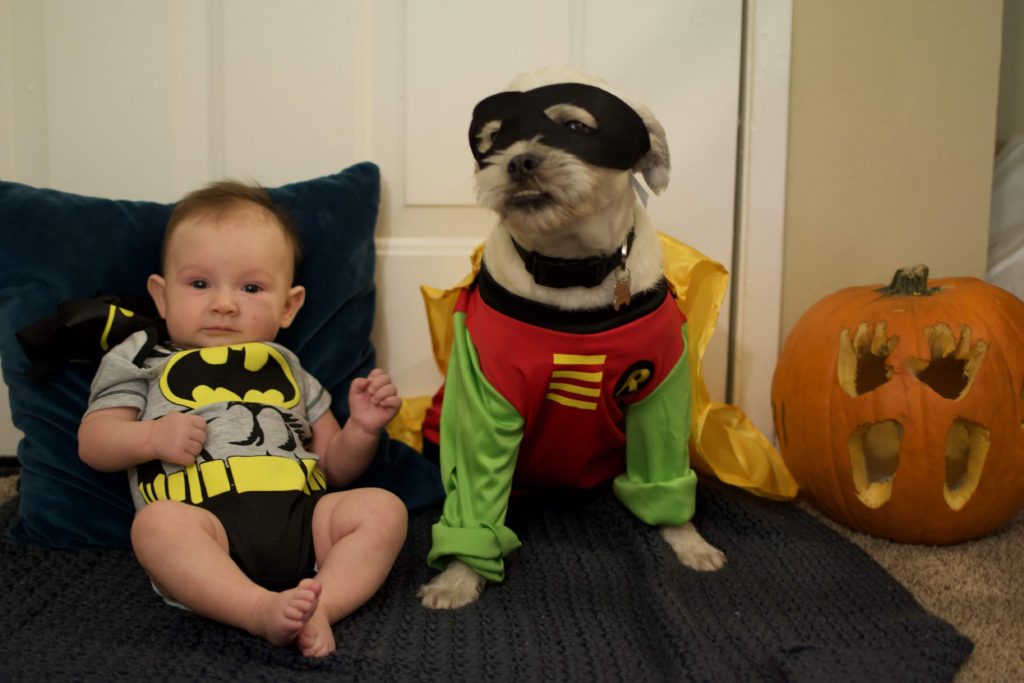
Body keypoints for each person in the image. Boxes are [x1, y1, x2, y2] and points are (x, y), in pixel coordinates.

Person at [77, 180, 408, 658]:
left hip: (304, 523)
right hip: (204, 526)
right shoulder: (144, 358)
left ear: (288, 306)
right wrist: (150, 437)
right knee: (156, 526)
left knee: (383, 508)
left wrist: (362, 428)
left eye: (251, 288)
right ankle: (255, 609)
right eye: (199, 284)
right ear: (162, 296)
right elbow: (94, 442)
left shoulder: (289, 368)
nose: (225, 304)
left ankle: (323, 605)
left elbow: (335, 468)